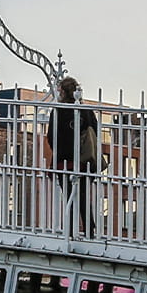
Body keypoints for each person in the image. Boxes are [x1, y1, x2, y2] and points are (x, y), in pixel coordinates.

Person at [47, 76, 100, 236]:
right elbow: (94, 135)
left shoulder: (58, 111)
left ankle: (69, 231)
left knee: (69, 197)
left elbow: (51, 137)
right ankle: (89, 229)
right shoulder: (87, 111)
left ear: (63, 91)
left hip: (64, 161)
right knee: (83, 196)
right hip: (85, 161)